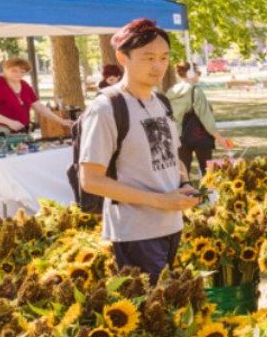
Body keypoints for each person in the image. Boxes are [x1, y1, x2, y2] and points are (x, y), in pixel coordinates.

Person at [78, 19, 199, 282]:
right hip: (135, 233)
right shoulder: (107, 108)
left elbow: (172, 155)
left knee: (168, 309)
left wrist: (185, 183)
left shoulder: (161, 101)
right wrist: (159, 201)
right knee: (151, 312)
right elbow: (90, 180)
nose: (158, 66)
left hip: (171, 225)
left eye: (164, 57)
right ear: (123, 57)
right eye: (148, 58)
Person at [0, 57, 72, 136]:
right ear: (5, 69)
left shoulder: (24, 85)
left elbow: (40, 107)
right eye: (14, 71)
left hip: (18, 131)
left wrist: (61, 121)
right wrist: (10, 122)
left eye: (22, 71)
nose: (18, 74)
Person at [168, 62, 233, 177]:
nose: (199, 74)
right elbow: (205, 116)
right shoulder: (196, 91)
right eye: (197, 72)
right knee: (207, 172)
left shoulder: (171, 92)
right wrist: (219, 138)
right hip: (200, 136)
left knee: (183, 174)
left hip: (179, 137)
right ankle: (208, 194)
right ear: (190, 73)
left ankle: (185, 194)